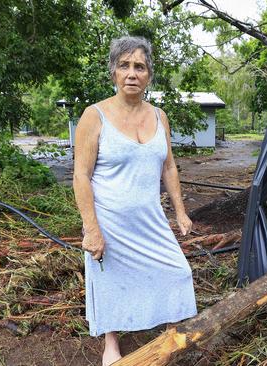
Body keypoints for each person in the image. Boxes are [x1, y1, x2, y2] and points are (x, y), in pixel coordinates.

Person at [72, 36, 198, 366]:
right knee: (112, 279)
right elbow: (81, 175)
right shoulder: (94, 116)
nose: (132, 73)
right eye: (124, 66)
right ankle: (111, 342)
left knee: (178, 271)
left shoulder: (159, 116)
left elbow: (168, 165)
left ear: (149, 75)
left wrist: (181, 212)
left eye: (139, 66)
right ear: (113, 72)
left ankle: (170, 334)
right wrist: (91, 229)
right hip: (110, 221)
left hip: (151, 219)